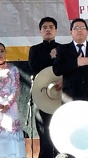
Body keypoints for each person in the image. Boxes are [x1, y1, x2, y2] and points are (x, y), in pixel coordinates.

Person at [53, 18, 88, 105]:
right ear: (71, 32)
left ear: (87, 31)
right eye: (76, 28)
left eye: (82, 28)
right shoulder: (63, 49)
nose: (79, 30)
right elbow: (57, 70)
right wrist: (76, 63)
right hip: (70, 97)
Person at [0, 42, 26, 158]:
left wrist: (8, 104)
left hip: (10, 106)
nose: (0, 54)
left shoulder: (13, 69)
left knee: (11, 134)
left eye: (2, 51)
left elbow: (16, 87)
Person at [28, 16, 60, 158]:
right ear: (40, 31)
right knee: (44, 133)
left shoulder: (63, 49)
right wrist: (50, 56)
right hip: (41, 95)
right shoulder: (35, 50)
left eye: (51, 27)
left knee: (59, 132)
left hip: (59, 96)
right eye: (45, 27)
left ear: (56, 30)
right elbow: (34, 66)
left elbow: (68, 69)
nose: (48, 30)